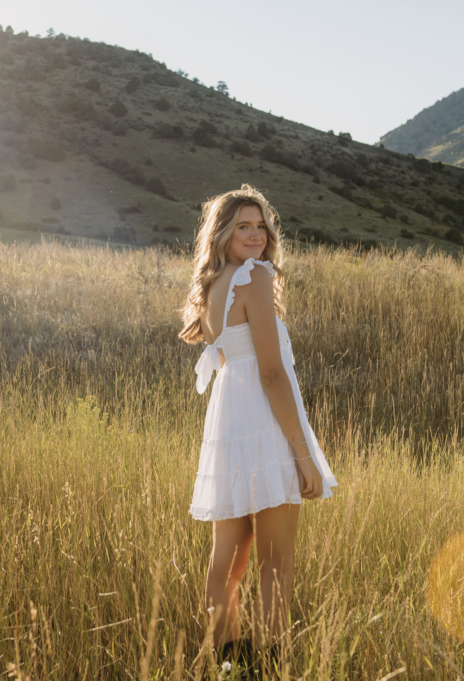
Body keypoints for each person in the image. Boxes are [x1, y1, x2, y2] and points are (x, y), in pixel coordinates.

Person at [179, 184, 337, 667]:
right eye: (242, 226)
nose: (255, 234)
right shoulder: (256, 276)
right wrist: (303, 453)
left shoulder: (213, 282)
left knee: (228, 551)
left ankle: (227, 661)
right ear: (223, 233)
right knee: (276, 559)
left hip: (229, 419)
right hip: (264, 422)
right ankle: (271, 663)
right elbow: (271, 373)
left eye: (260, 225)